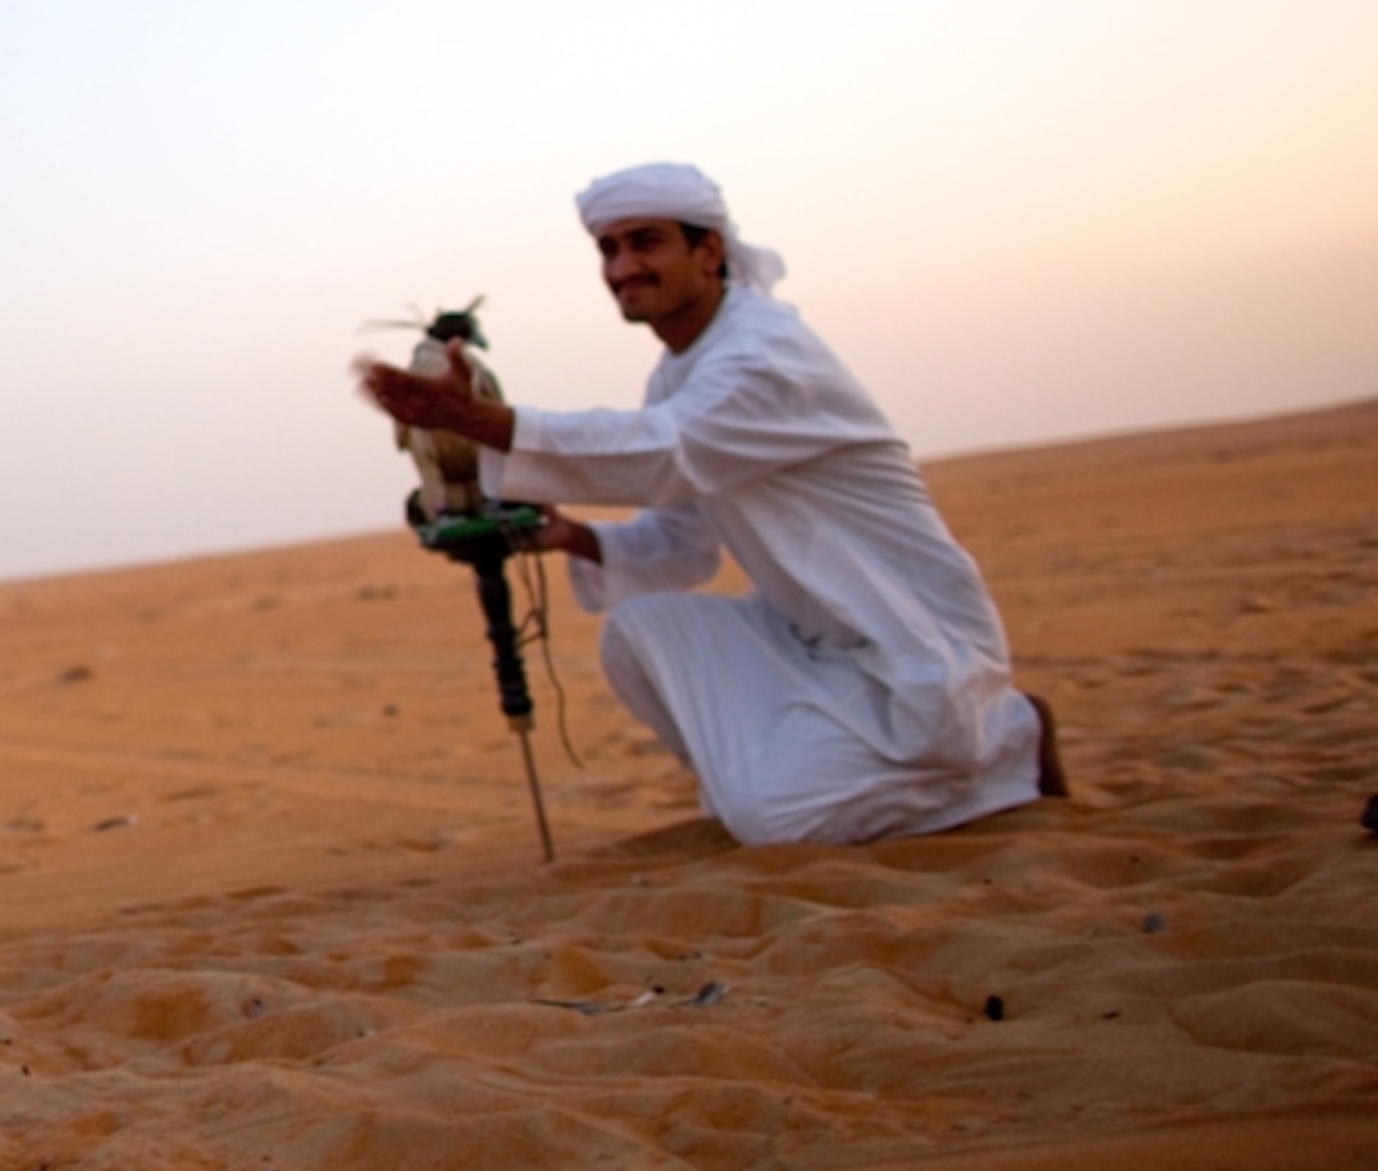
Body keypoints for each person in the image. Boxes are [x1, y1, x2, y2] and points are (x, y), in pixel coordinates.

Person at [362, 163, 1065, 848]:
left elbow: (668, 451)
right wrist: (569, 535)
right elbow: (682, 543)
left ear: (709, 252)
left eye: (646, 242)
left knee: (777, 821)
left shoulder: (765, 354)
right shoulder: (679, 374)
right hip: (810, 636)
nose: (623, 267)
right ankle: (794, 779)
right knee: (639, 632)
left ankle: (1008, 736)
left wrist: (479, 422)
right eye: (609, 249)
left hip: (912, 645)